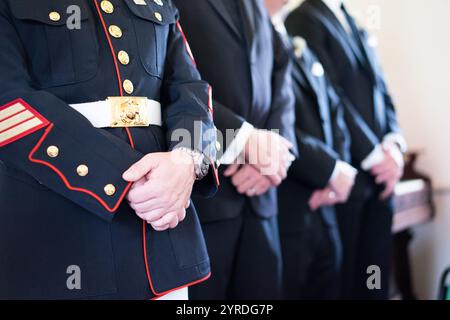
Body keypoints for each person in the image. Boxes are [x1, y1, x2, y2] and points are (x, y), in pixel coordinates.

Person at [0, 0, 219, 300]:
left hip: (161, 237)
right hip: (61, 234)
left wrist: (189, 158)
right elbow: (9, 108)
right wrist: (122, 177)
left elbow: (190, 87)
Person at [173, 0, 297, 299]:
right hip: (204, 196)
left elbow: (281, 75)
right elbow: (170, 80)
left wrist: (275, 151)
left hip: (262, 199)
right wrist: (243, 140)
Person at [285, 0, 407, 299]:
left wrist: (395, 145)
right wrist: (376, 157)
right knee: (349, 285)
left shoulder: (354, 21)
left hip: (382, 178)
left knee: (374, 281)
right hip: (349, 175)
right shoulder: (305, 18)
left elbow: (382, 90)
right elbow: (334, 97)